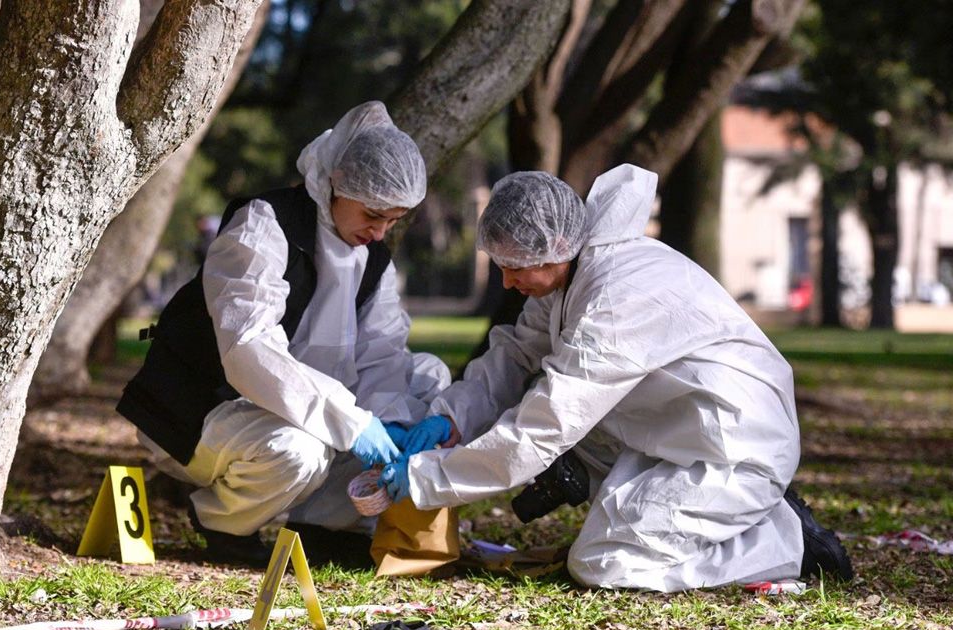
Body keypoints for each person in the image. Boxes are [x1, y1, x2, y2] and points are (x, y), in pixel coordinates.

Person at [381, 164, 853, 592]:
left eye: (512, 268)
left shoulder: (615, 296)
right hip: (680, 434)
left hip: (735, 449)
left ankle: (784, 541)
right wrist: (450, 419)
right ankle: (710, 516)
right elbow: (513, 355)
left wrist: (428, 477)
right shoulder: (573, 274)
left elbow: (549, 423)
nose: (506, 283)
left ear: (552, 251)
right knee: (538, 407)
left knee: (604, 564)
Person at [117, 101, 450, 565]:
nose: (379, 232)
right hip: (204, 408)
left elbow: (384, 354)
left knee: (426, 379)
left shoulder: (373, 260)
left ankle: (325, 527)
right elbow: (248, 350)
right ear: (336, 180)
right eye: (373, 214)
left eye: (393, 220)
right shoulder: (263, 225)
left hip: (290, 411)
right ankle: (222, 521)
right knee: (302, 450)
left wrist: (389, 422)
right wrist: (353, 423)